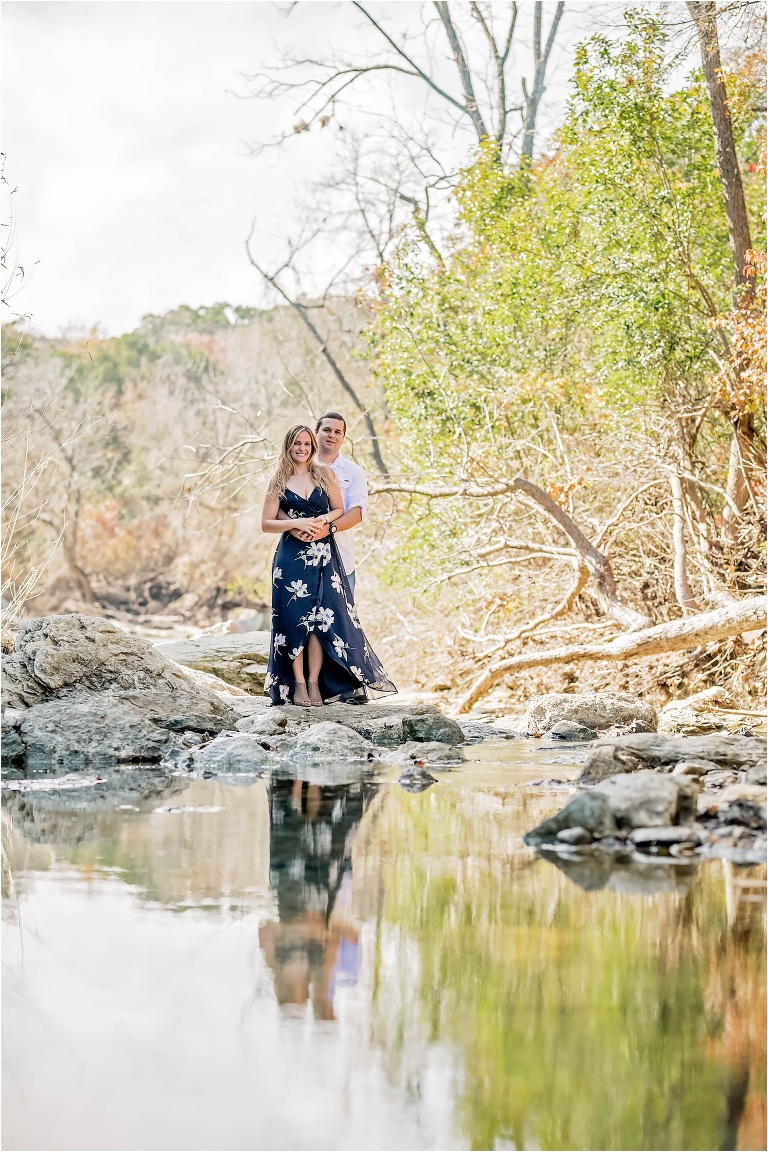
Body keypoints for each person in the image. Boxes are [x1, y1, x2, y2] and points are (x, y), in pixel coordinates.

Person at [261, 424, 396, 708]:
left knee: (320, 622)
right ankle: (297, 685)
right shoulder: (277, 480)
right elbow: (266, 523)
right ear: (288, 446)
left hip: (324, 555)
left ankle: (314, 684)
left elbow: (339, 509)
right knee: (293, 623)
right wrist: (296, 523)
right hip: (291, 559)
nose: (302, 449)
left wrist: (322, 523)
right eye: (297, 443)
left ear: (312, 447)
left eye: (307, 444)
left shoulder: (324, 473)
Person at [278, 412, 366, 599]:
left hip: (340, 560)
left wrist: (328, 529)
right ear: (316, 432)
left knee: (341, 624)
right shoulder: (295, 467)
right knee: (302, 622)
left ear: (343, 438)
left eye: (337, 432)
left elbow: (357, 513)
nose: (331, 435)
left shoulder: (354, 472)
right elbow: (277, 506)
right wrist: (295, 528)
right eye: (326, 430)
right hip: (299, 557)